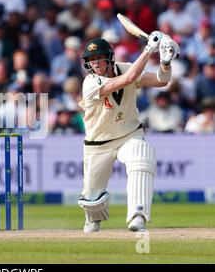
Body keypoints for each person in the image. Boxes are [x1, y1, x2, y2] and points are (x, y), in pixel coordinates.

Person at [77, 31, 180, 233]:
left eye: (99, 58)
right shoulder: (90, 82)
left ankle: (137, 216)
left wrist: (165, 62)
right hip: (98, 144)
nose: (95, 63)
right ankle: (93, 219)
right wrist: (150, 48)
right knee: (92, 202)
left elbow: (161, 81)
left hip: (128, 135)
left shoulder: (124, 68)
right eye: (91, 60)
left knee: (142, 155)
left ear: (109, 58)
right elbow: (128, 79)